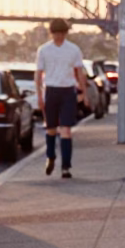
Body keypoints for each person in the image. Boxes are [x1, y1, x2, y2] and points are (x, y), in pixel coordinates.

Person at [35, 18, 87, 179]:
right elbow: (38, 74)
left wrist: (83, 93)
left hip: (67, 92)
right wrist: (39, 96)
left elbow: (79, 72)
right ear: (51, 34)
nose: (59, 36)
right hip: (51, 90)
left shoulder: (73, 49)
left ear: (65, 33)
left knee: (66, 130)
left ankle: (66, 167)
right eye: (56, 33)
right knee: (51, 129)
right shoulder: (44, 50)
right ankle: (51, 156)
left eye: (61, 33)